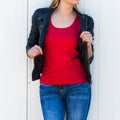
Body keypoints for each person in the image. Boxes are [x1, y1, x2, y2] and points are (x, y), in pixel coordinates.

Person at [26, 0, 94, 120]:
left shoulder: (86, 20)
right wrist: (31, 52)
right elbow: (30, 44)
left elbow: (89, 58)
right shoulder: (40, 16)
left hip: (78, 87)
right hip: (49, 87)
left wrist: (88, 45)